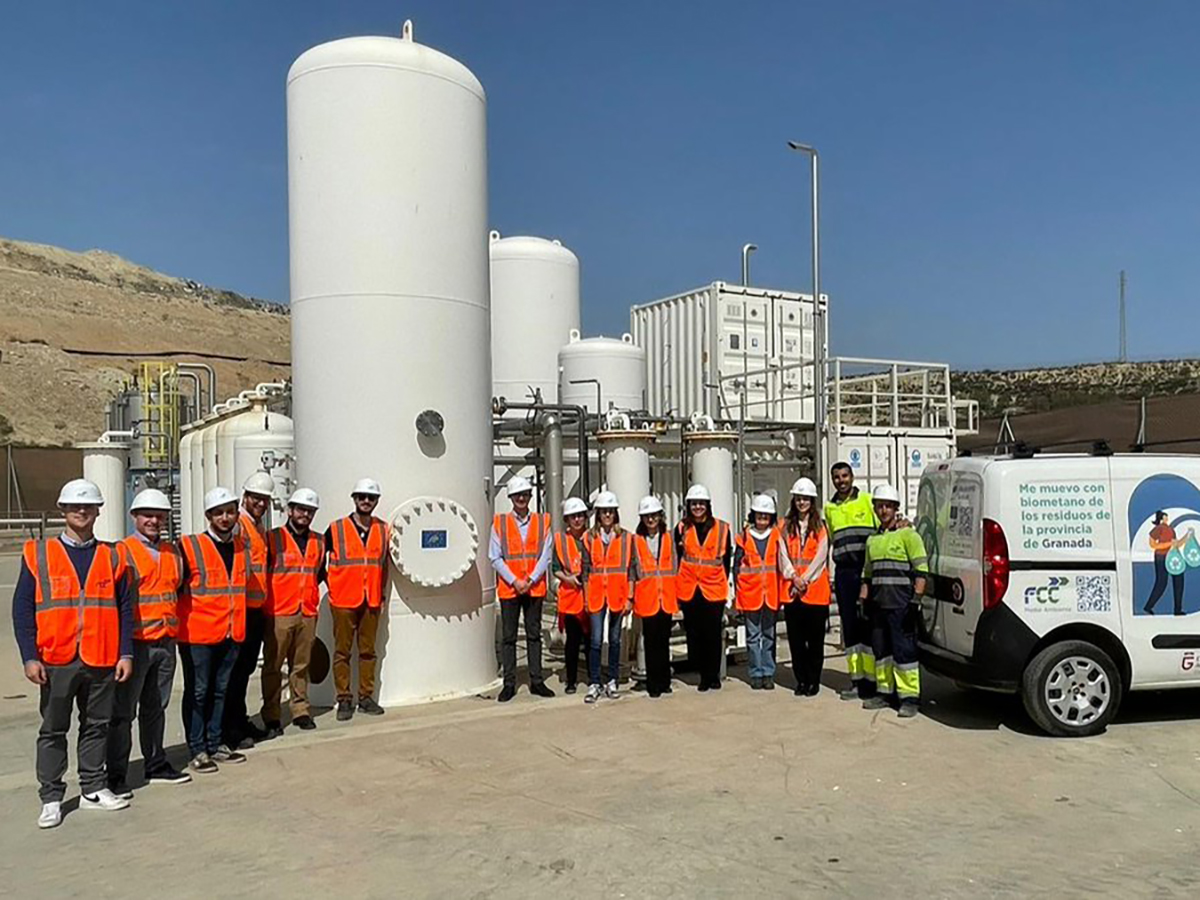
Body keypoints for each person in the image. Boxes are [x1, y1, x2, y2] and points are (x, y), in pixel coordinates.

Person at [12, 478, 135, 829]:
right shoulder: (39, 553)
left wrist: (125, 653)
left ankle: (93, 788)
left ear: (98, 511)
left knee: (97, 725)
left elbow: (125, 608)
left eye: (88, 506)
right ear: (63, 510)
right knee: (53, 729)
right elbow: (22, 608)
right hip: (56, 658)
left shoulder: (113, 555)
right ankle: (51, 797)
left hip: (101, 656)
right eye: (75, 506)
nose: (82, 511)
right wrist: (29, 656)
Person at [107, 488, 191, 797]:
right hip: (135, 644)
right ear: (134, 517)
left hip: (166, 643)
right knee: (123, 713)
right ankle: (115, 774)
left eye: (160, 516)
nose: (154, 521)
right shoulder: (122, 552)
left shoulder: (172, 552)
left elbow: (176, 591)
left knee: (156, 708)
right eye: (148, 516)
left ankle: (155, 764)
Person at [177, 487, 250, 774]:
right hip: (198, 636)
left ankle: (216, 742)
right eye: (219, 513)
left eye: (230, 511)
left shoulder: (243, 547)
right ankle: (197, 748)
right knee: (198, 692)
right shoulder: (190, 546)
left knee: (220, 690)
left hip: (231, 632)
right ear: (209, 516)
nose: (225, 517)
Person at [859, 484, 928, 718]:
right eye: (880, 506)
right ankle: (885, 692)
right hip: (879, 606)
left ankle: (909, 698)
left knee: (904, 652)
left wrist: (915, 601)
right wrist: (863, 601)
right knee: (882, 652)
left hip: (902, 606)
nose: (884, 510)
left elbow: (922, 572)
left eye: (888, 506)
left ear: (896, 508)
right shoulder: (872, 541)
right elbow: (867, 575)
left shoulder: (909, 535)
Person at [261, 488, 325, 734]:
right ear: (290, 510)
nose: (305, 515)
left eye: (309, 511)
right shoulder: (273, 538)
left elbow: (318, 572)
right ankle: (272, 715)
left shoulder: (319, 541)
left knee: (301, 665)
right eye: (301, 509)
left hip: (307, 611)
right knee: (273, 667)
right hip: (279, 612)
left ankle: (300, 710)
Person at [325, 478, 388, 721]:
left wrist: (380, 594)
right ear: (354, 499)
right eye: (361, 496)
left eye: (370, 497)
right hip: (342, 600)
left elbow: (384, 566)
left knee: (368, 651)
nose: (366, 501)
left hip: (371, 599)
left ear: (376, 501)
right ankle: (344, 699)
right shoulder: (336, 528)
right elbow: (319, 560)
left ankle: (366, 697)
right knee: (342, 652)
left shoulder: (383, 529)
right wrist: (332, 586)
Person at [489, 476, 555, 702]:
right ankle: (509, 683)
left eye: (525, 494)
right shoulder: (500, 523)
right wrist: (515, 581)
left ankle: (537, 681)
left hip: (534, 588)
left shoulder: (542, 521)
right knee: (508, 637)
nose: (521, 498)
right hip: (510, 589)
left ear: (530, 497)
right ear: (510, 498)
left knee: (534, 634)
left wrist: (531, 579)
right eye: (518, 495)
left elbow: (546, 555)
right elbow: (495, 557)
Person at [222, 471, 274, 750]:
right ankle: (230, 729)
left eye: (264, 499)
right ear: (245, 496)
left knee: (244, 671)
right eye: (256, 498)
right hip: (239, 609)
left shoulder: (258, 527)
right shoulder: (239, 525)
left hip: (255, 609)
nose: (261, 503)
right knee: (234, 673)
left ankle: (239, 721)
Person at [824, 462, 879, 700]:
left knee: (870, 626)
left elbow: (884, 529)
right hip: (845, 574)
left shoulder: (867, 500)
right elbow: (827, 542)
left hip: (867, 572)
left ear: (852, 477)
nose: (841, 480)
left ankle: (874, 681)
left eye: (845, 476)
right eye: (836, 477)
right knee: (850, 629)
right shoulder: (829, 508)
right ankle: (857, 680)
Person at [732, 494, 795, 690]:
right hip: (751, 594)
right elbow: (736, 567)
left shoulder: (777, 535)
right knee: (752, 636)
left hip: (772, 594)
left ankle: (768, 672)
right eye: (759, 515)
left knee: (769, 635)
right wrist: (737, 591)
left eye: (766, 516)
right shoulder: (744, 537)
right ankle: (755, 673)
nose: (762, 519)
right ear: (753, 515)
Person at [674, 484, 732, 692]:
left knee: (713, 635)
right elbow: (677, 559)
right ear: (688, 506)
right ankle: (701, 672)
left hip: (713, 588)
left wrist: (726, 584)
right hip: (690, 588)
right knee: (694, 634)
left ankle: (712, 676)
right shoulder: (681, 528)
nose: (697, 507)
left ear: (708, 505)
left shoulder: (723, 528)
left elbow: (726, 560)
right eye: (694, 504)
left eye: (701, 503)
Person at [779, 478, 831, 697]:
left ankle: (813, 681)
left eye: (805, 499)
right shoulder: (783, 525)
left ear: (812, 500)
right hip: (793, 593)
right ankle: (801, 680)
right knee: (797, 642)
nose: (802, 502)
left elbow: (821, 557)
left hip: (815, 590)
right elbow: (782, 555)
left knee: (815, 642)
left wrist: (804, 580)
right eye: (799, 498)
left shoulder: (820, 527)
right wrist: (793, 576)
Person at [582, 491, 633, 703]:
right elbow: (585, 570)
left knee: (614, 640)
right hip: (595, 595)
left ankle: (611, 680)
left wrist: (630, 596)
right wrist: (585, 597)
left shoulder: (626, 537)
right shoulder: (588, 537)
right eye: (604, 511)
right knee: (595, 640)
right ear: (598, 514)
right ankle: (595, 682)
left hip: (618, 595)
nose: (608, 515)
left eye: (611, 511)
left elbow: (631, 569)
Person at [630, 495, 677, 698]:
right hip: (647, 597)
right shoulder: (636, 540)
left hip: (666, 596)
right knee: (650, 642)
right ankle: (653, 684)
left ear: (660, 516)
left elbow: (675, 565)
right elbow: (633, 569)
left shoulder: (669, 537)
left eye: (654, 515)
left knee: (664, 641)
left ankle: (665, 680)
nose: (651, 520)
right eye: (647, 516)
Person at [552, 497, 589, 694]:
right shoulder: (560, 540)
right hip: (571, 597)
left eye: (580, 516)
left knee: (592, 640)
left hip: (591, 595)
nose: (577, 520)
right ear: (567, 519)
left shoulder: (593, 538)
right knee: (573, 641)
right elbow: (555, 568)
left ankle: (594, 678)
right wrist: (568, 579)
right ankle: (571, 680)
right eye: (573, 517)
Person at [1144, 511, 1186, 616]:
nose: (1167, 518)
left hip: (1172, 557)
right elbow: (1153, 544)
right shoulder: (1158, 528)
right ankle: (1148, 606)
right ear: (1161, 518)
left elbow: (1177, 544)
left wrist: (1187, 536)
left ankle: (1178, 609)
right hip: (1161, 557)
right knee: (1161, 583)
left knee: (1179, 579)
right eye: (1165, 516)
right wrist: (1168, 544)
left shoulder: (1171, 530)